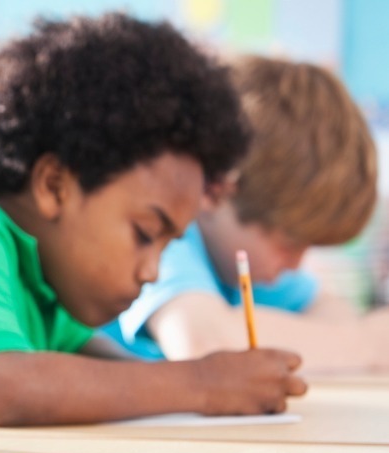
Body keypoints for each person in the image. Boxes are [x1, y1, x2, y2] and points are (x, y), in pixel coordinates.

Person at [0, 13, 307, 427]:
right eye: (145, 234)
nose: (152, 271)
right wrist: (205, 384)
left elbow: (109, 372)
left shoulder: (41, 284)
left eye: (168, 245)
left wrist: (233, 382)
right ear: (54, 185)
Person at [117, 55, 387, 373]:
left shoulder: (237, 260)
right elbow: (202, 344)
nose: (296, 264)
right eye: (288, 244)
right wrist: (365, 342)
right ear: (219, 191)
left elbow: (330, 312)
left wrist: (353, 338)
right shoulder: (165, 237)